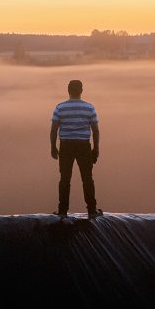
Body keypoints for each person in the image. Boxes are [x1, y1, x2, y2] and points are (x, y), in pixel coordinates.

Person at [50, 79, 103, 219]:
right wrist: (96, 149)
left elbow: (53, 130)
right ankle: (92, 210)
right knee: (87, 178)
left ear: (68, 91)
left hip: (66, 146)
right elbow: (96, 131)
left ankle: (62, 211)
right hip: (83, 146)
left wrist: (53, 147)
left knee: (65, 179)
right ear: (81, 91)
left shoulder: (60, 108)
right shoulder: (90, 108)